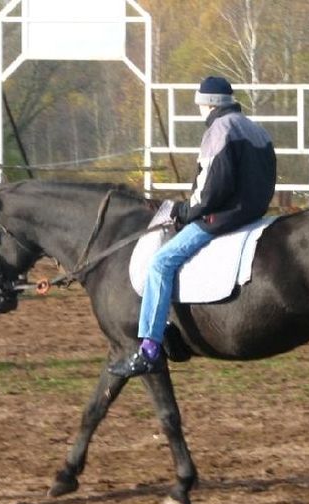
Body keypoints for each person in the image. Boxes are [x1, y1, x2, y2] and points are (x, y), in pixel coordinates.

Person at [109, 76, 277, 378]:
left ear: (208, 103)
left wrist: (186, 212)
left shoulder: (219, 130)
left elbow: (211, 188)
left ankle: (149, 347)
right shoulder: (256, 128)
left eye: (199, 103)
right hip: (254, 215)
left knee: (160, 263)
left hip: (223, 218)